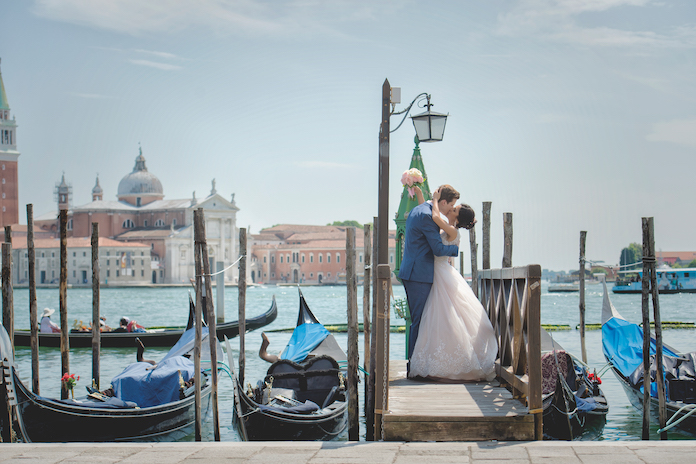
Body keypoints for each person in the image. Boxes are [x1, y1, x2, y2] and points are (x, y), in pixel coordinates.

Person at [409, 187, 497, 381]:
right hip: (440, 272)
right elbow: (431, 213)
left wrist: (433, 199)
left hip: (440, 273)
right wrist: (421, 196)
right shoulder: (449, 228)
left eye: (454, 210)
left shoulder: (451, 230)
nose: (451, 210)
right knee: (440, 318)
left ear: (457, 218)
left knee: (442, 317)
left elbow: (434, 216)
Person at [398, 184, 460, 376]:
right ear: (442, 202)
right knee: (419, 321)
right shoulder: (428, 216)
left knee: (421, 320)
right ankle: (414, 366)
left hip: (414, 272)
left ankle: (418, 363)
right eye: (449, 207)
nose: (449, 211)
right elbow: (438, 249)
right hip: (419, 275)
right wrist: (455, 250)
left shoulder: (419, 209)